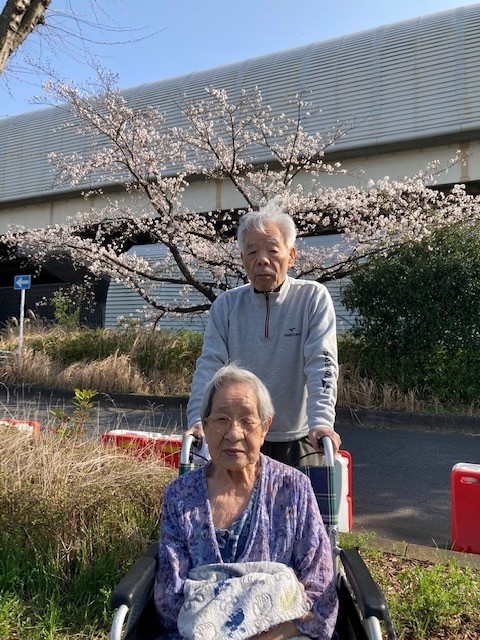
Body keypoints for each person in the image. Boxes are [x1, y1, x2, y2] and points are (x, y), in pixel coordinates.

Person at [155, 364, 338, 639]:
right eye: (221, 419)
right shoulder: (180, 496)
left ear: (265, 427)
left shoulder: (293, 488)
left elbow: (319, 590)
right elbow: (170, 600)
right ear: (205, 425)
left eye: (247, 420)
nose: (234, 433)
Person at [186, 196, 341, 465]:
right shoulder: (227, 305)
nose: (262, 260)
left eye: (272, 250)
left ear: (291, 256)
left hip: (300, 436)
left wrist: (322, 422)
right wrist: (198, 420)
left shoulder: (312, 298)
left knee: (305, 493)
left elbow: (322, 363)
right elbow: (210, 367)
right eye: (252, 252)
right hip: (239, 437)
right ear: (242, 259)